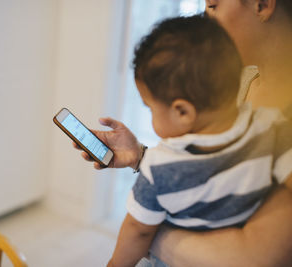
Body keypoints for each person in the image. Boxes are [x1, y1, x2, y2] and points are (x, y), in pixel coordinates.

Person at [75, 0, 292, 266]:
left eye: (213, 6)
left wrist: (151, 231)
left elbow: (256, 257)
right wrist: (140, 156)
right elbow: (218, 161)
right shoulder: (252, 99)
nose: (205, 19)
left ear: (262, 4)